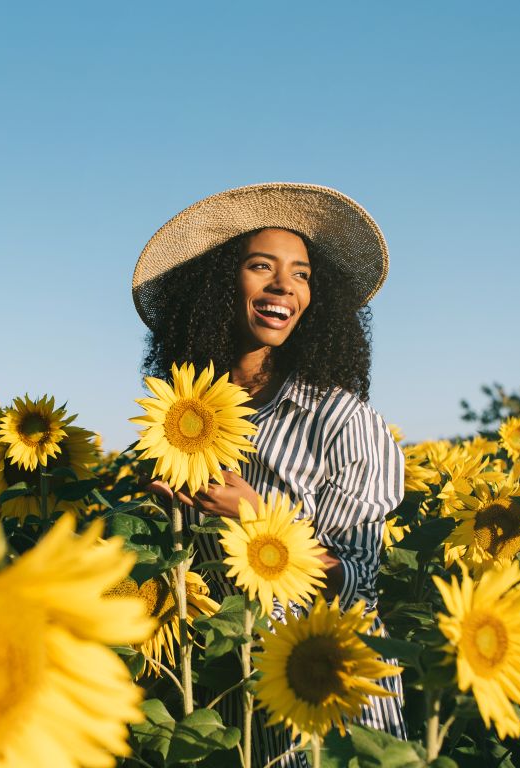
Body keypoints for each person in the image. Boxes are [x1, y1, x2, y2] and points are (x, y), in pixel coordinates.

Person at [132, 183, 407, 767]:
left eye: (302, 274)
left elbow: (358, 583)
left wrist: (259, 521)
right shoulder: (176, 419)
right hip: (222, 700)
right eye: (262, 266)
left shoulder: (340, 421)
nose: (285, 285)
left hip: (327, 706)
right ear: (218, 284)